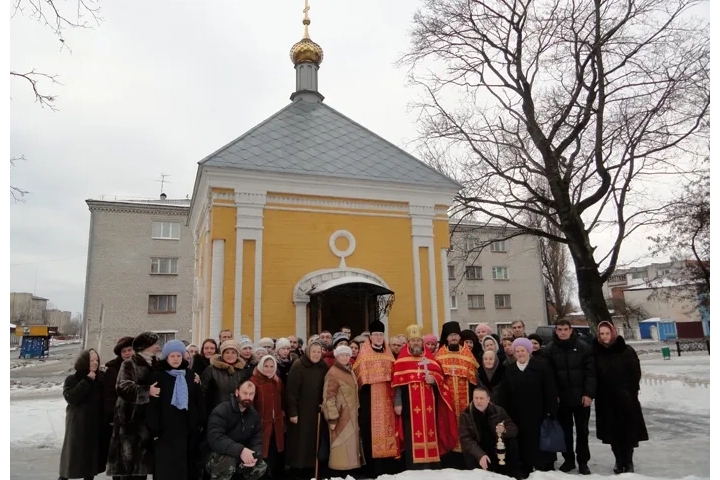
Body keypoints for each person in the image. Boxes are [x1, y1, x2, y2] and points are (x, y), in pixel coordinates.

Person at [392, 324, 458, 470]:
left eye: (418, 340)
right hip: (409, 407)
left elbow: (441, 378)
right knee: (411, 436)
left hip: (430, 407)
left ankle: (432, 465)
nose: (416, 343)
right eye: (412, 341)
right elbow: (396, 384)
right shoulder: (401, 361)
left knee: (431, 433)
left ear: (422, 342)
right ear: (408, 343)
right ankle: (414, 467)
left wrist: (433, 380)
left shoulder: (431, 360)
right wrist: (397, 403)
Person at [498, 338, 558, 478]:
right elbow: (504, 394)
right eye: (517, 351)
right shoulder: (510, 370)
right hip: (516, 414)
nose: (520, 354)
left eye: (522, 351)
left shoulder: (541, 367)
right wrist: (504, 414)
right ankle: (524, 467)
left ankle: (541, 468)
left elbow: (550, 390)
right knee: (521, 442)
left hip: (538, 413)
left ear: (529, 351)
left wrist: (551, 410)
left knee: (538, 442)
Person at [593, 321, 648, 474]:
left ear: (612, 333)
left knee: (628, 431)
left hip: (626, 398)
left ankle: (628, 461)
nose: (605, 337)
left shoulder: (625, 350)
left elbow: (635, 372)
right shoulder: (596, 352)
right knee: (612, 432)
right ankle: (618, 460)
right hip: (605, 399)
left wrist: (630, 391)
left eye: (607, 333)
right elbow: (593, 374)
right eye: (602, 334)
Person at [542, 319, 596, 475]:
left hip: (581, 399)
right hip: (561, 400)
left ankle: (583, 461)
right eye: (560, 329)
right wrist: (554, 396)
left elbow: (591, 373)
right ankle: (569, 459)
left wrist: (588, 394)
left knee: (582, 432)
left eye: (566, 329)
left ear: (571, 330)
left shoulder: (583, 347)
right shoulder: (550, 350)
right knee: (565, 432)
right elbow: (549, 376)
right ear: (556, 331)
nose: (563, 332)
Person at [147, 340, 205, 480]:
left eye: (178, 356)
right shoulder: (158, 376)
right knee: (166, 470)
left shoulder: (191, 375)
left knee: (186, 470)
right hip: (165, 432)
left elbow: (199, 400)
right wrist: (155, 429)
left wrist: (199, 422)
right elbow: (152, 405)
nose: (176, 359)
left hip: (187, 430)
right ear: (166, 357)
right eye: (172, 356)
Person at [106, 332, 161, 480]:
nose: (157, 346)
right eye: (154, 344)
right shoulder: (129, 364)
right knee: (129, 468)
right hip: (129, 421)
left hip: (146, 422)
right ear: (145, 347)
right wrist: (146, 391)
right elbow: (123, 387)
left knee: (142, 469)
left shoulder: (156, 363)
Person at [353, 320, 400, 478]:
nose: (379, 337)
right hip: (369, 400)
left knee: (389, 431)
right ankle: (372, 469)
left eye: (381, 335)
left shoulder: (389, 355)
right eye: (375, 335)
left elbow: (395, 376)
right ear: (370, 337)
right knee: (370, 432)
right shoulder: (364, 355)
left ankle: (389, 466)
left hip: (388, 398)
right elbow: (359, 378)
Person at [58, 349, 109, 480]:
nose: (95, 363)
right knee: (72, 459)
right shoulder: (73, 379)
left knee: (90, 464)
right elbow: (71, 397)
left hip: (96, 424)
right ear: (84, 362)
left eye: (96, 360)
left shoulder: (101, 378)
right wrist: (87, 380)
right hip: (78, 425)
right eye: (91, 360)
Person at [435, 321, 479, 468]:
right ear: (446, 338)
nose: (453, 338)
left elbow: (474, 382)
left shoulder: (467, 355)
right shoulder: (439, 356)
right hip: (446, 402)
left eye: (455, 335)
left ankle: (466, 459)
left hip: (465, 401)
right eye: (450, 335)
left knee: (465, 428)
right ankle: (449, 460)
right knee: (446, 426)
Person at [205, 380, 268, 480]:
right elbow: (215, 438)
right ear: (237, 392)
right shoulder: (222, 410)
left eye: (251, 394)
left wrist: (255, 455)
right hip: (218, 454)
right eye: (245, 393)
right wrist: (240, 451)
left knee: (261, 466)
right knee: (228, 462)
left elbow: (257, 440)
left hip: (240, 453)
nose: (248, 397)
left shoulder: (254, 415)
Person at [286, 339, 329, 479]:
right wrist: (292, 412)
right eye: (313, 351)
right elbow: (291, 392)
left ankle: (312, 469)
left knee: (314, 440)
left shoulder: (323, 366)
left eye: (319, 352)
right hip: (301, 411)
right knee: (301, 442)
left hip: (316, 411)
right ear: (308, 351)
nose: (316, 354)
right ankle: (298, 470)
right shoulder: (298, 365)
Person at [459, 386, 522, 478]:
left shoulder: (498, 411)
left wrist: (504, 430)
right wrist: (480, 455)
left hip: (497, 446)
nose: (478, 401)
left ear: (488, 399)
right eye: (476, 398)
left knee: (513, 443)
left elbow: (514, 429)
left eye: (481, 398)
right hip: (479, 448)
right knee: (469, 452)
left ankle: (511, 475)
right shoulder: (466, 414)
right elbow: (465, 439)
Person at [322, 345, 365, 474]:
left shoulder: (350, 370)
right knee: (340, 445)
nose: (345, 357)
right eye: (342, 355)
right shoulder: (333, 372)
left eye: (347, 355)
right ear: (336, 356)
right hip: (340, 416)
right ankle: (339, 472)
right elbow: (328, 397)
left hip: (351, 414)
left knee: (350, 445)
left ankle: (350, 471)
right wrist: (332, 418)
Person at [249, 355, 285, 479]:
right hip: (262, 423)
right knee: (263, 452)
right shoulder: (254, 381)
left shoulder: (277, 381)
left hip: (277, 423)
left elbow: (281, 399)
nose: (268, 369)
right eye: (266, 366)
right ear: (260, 366)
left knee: (275, 451)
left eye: (271, 366)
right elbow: (251, 404)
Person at [103, 336, 134, 426]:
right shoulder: (113, 370)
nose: (127, 353)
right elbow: (109, 395)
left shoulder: (142, 367)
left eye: (129, 350)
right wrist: (112, 416)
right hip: (120, 416)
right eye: (124, 351)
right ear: (120, 354)